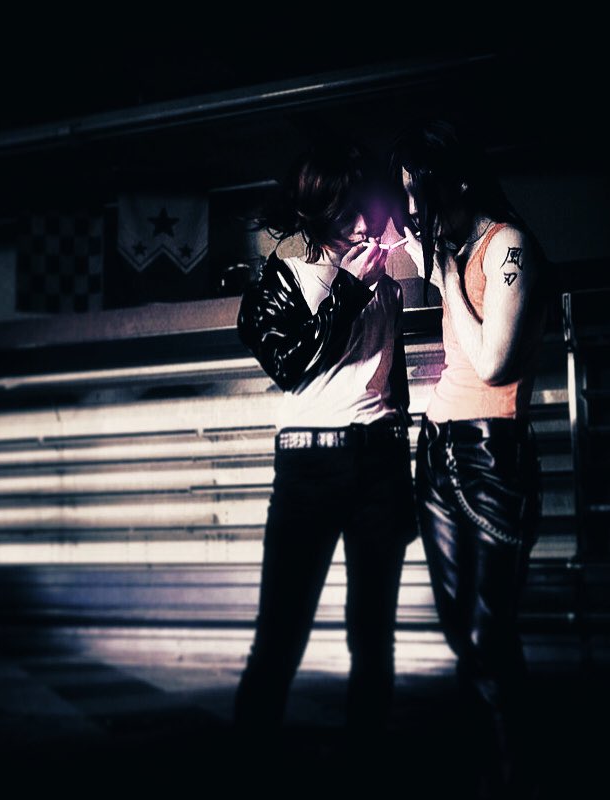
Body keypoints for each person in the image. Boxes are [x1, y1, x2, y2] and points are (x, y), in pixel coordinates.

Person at [233, 138, 417, 740]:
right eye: (347, 214)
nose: (364, 225)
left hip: (380, 460)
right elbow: (290, 365)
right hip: (309, 465)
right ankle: (246, 762)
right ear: (316, 212)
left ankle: (367, 766)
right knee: (280, 633)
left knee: (374, 637)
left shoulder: (385, 279)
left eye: (368, 208)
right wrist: (351, 290)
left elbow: (391, 378)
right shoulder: (280, 281)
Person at [390, 119, 546, 798]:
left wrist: (448, 274)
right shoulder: (453, 249)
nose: (412, 207)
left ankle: (513, 777)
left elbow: (492, 363)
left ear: (456, 182)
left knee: (488, 636)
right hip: (437, 452)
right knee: (463, 633)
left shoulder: (508, 246)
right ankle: (485, 770)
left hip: (492, 457)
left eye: (417, 191)